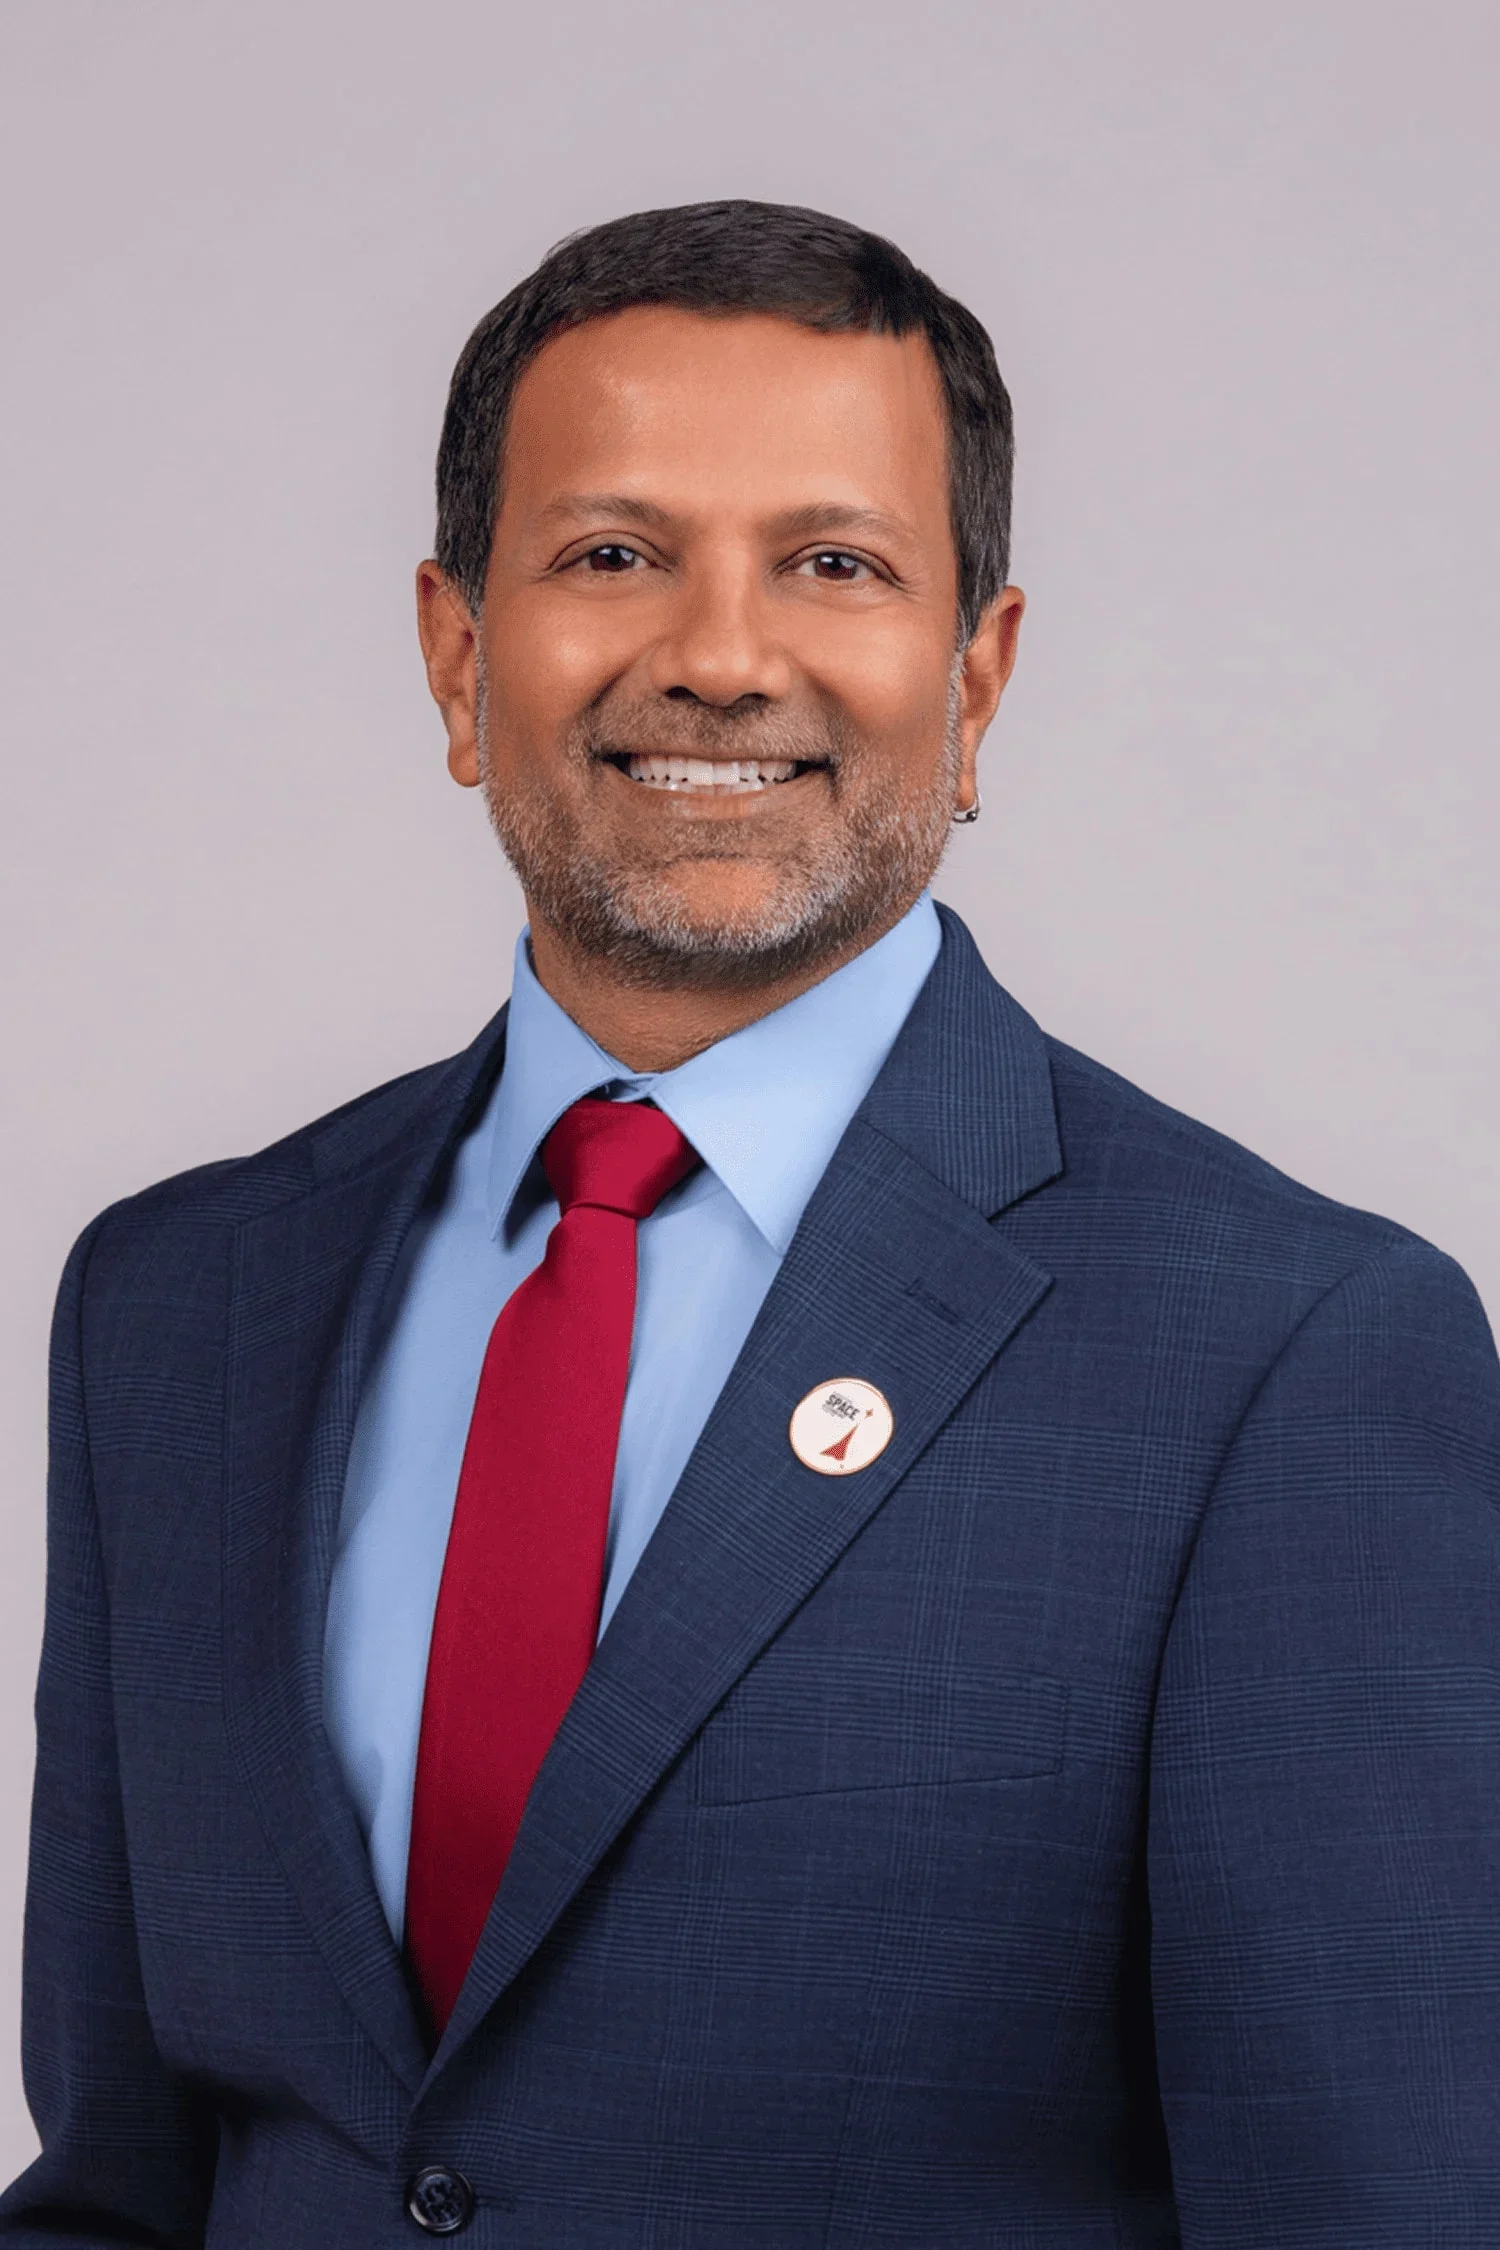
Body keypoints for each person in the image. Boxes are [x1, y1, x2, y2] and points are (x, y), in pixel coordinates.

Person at [3, 199, 1498, 2250]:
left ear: (978, 675)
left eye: (836, 564)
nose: (717, 655)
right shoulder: (177, 1309)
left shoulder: (1288, 1361)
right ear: (458, 653)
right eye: (611, 554)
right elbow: (126, 2188)